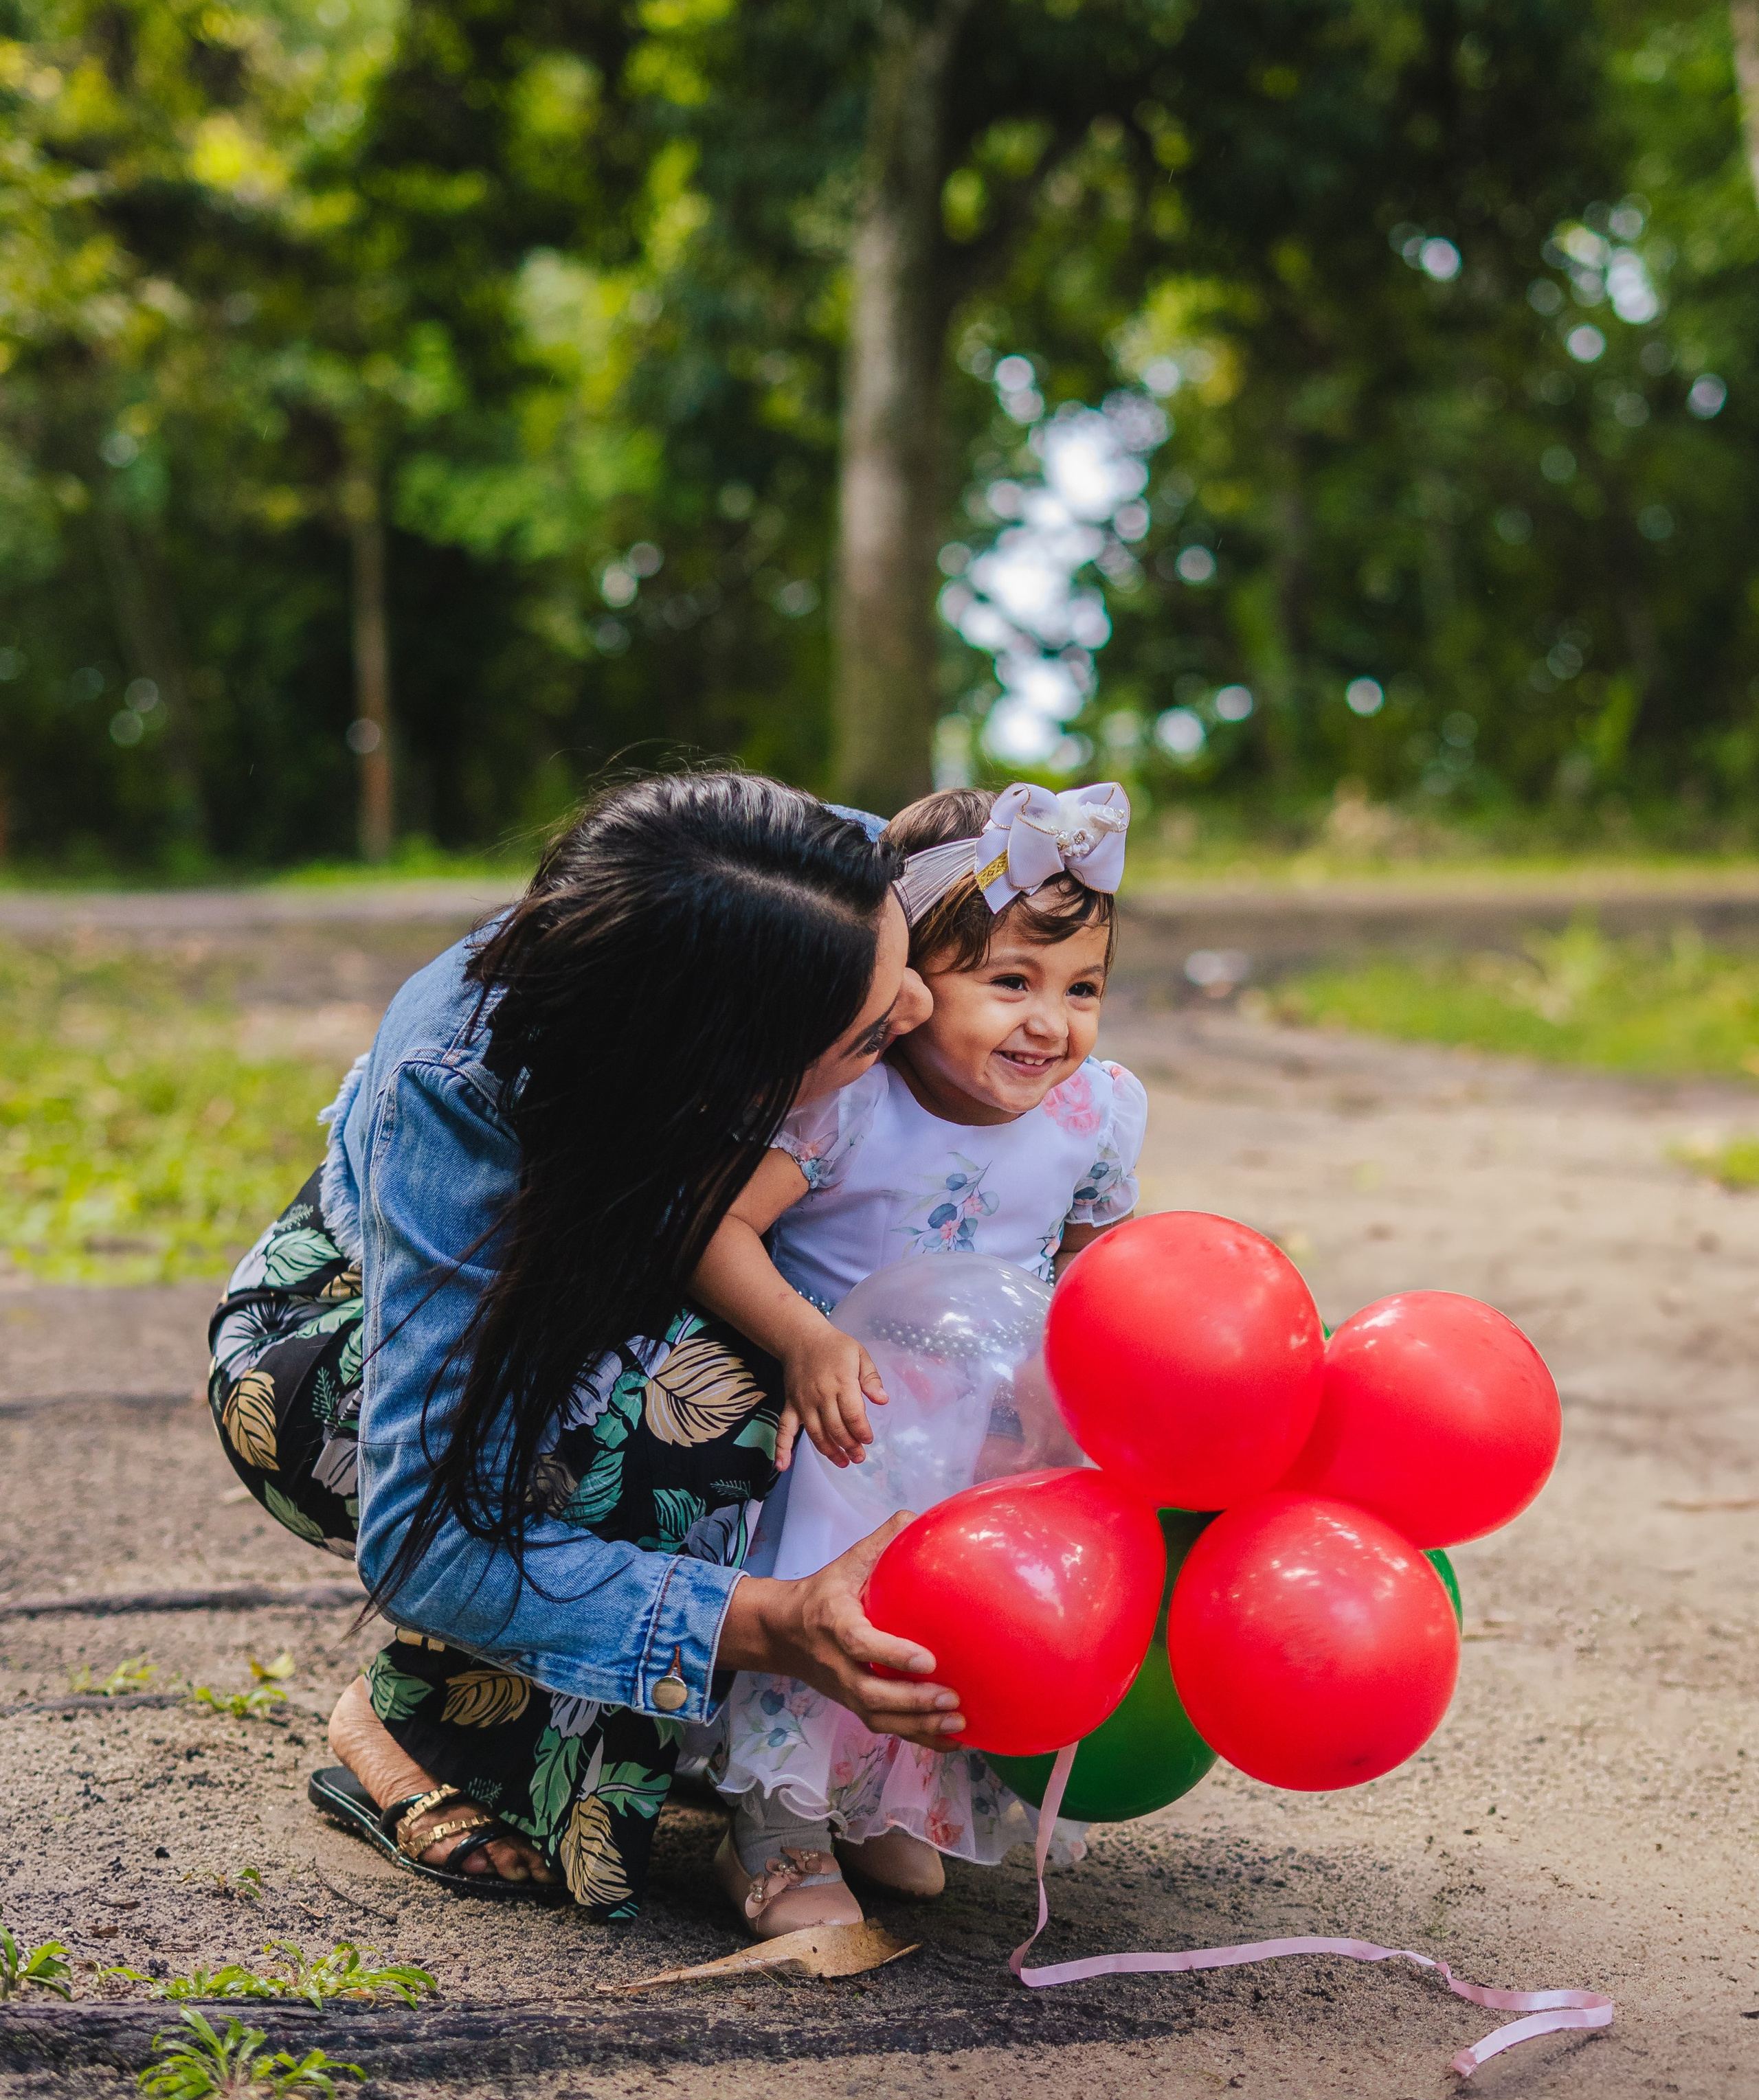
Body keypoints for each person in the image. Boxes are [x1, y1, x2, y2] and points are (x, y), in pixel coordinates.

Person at [208, 772, 963, 1920]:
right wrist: (766, 1623)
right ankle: (412, 1720)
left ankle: (678, 1715)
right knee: (705, 1416)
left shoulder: (816, 874)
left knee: (812, 1370)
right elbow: (420, 1536)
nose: (916, 1006)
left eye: (903, 959)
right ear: (728, 1080)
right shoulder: (465, 1097)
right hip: (337, 1354)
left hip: (624, 1286)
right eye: (868, 1032)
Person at [687, 780, 1145, 1937]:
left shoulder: (1095, 1115)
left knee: (959, 1599)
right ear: (908, 989)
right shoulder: (857, 1107)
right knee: (845, 1580)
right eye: (1009, 983)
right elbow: (717, 1231)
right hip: (855, 1401)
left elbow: (1103, 1270)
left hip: (990, 1414)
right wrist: (802, 1339)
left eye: (1081, 987)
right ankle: (780, 1820)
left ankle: (893, 1794)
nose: (1051, 1022)